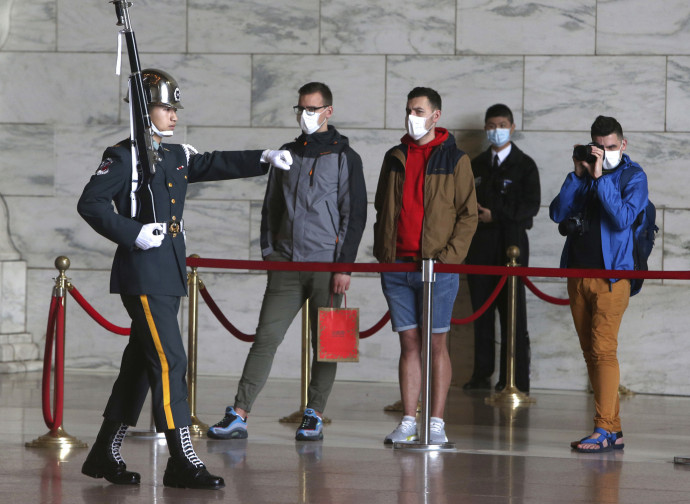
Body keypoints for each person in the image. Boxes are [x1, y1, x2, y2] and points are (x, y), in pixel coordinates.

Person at [77, 68, 293, 489]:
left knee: (142, 364)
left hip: (168, 274)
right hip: (143, 276)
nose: (173, 115)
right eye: (164, 107)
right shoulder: (124, 157)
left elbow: (211, 163)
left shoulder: (172, 155)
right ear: (144, 110)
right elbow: (91, 203)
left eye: (175, 108)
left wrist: (263, 157)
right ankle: (181, 457)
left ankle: (105, 450)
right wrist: (133, 231)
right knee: (171, 360)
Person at [207, 82, 367, 442]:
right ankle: (240, 413)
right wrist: (270, 254)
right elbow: (271, 207)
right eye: (301, 109)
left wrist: (345, 266)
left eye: (312, 109)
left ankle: (314, 414)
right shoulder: (286, 153)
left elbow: (353, 215)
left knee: (329, 344)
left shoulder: (346, 157)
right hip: (286, 264)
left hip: (327, 266)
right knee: (265, 338)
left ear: (328, 111)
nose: (305, 116)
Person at [374, 87, 478, 444]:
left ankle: (436, 422)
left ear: (436, 116)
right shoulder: (394, 156)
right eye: (408, 110)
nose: (411, 117)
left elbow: (468, 215)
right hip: (397, 266)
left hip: (438, 268)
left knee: (436, 344)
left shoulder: (456, 159)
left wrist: (447, 258)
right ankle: (408, 420)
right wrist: (382, 252)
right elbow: (381, 208)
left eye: (418, 111)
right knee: (409, 343)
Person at [550, 115, 648, 453]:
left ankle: (604, 428)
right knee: (591, 353)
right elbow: (557, 213)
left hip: (612, 277)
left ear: (623, 144)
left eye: (611, 147)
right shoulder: (586, 173)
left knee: (604, 351)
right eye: (600, 147)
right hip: (577, 275)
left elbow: (622, 218)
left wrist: (600, 177)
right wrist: (578, 176)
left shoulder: (634, 176)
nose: (605, 153)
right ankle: (613, 429)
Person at [463, 104, 540, 393]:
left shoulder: (525, 165)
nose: (497, 129)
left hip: (512, 247)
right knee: (480, 314)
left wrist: (496, 215)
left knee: (513, 317)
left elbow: (530, 206)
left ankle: (516, 379)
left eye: (503, 124)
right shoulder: (476, 165)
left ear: (513, 126)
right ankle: (481, 374)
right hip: (480, 248)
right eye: (492, 125)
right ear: (486, 128)